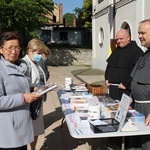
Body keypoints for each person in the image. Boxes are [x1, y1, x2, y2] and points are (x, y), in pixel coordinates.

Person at [0, 31, 41, 149]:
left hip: (23, 124)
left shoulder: (22, 65)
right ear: (1, 50)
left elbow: (21, 85)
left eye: (17, 47)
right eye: (9, 48)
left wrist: (34, 88)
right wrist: (23, 97)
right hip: (8, 130)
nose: (14, 51)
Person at [128, 19, 150, 150]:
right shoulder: (145, 54)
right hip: (138, 109)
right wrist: (130, 99)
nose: (139, 36)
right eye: (138, 33)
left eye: (143, 33)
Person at [105, 29, 144, 100]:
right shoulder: (115, 50)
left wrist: (126, 84)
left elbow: (137, 71)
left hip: (125, 90)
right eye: (117, 39)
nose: (119, 41)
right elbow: (109, 66)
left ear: (128, 38)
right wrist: (107, 78)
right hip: (113, 88)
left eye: (121, 39)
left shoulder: (136, 51)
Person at [23, 38, 47, 150]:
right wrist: (35, 87)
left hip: (37, 100)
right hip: (30, 102)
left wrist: (46, 86)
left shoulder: (36, 62)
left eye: (41, 53)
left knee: (36, 130)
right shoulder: (24, 64)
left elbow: (41, 78)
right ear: (30, 51)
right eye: (38, 53)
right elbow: (23, 83)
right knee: (29, 130)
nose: (40, 56)